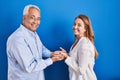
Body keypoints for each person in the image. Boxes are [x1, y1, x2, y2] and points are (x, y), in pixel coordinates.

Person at [6, 4, 64, 80]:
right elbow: (30, 67)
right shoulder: (17, 39)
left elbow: (41, 48)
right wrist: (52, 60)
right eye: (32, 18)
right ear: (24, 17)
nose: (36, 22)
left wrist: (51, 54)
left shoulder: (33, 33)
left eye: (38, 19)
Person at [60, 14, 98, 80]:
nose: (75, 27)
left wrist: (67, 58)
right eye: (74, 24)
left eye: (79, 25)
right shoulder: (78, 41)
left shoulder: (84, 45)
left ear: (85, 29)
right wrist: (67, 55)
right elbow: (77, 59)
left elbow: (81, 70)